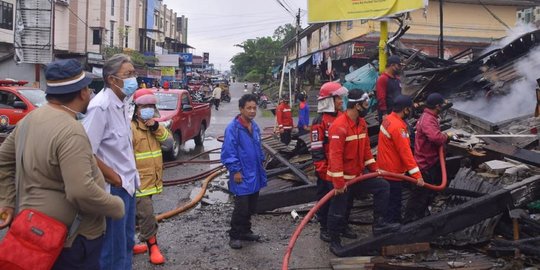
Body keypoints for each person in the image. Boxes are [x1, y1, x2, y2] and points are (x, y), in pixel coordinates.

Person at [0, 59, 125, 269]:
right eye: (87, 87)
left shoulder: (29, 120)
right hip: (70, 239)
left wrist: (8, 201)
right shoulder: (71, 131)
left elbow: (3, 160)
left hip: (30, 227)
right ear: (82, 92)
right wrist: (116, 206)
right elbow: (81, 192)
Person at [82, 54, 140, 270]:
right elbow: (86, 151)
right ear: (112, 80)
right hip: (114, 188)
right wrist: (114, 178)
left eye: (134, 73)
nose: (133, 78)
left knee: (126, 243)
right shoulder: (100, 107)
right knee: (112, 249)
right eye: (128, 74)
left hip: (129, 185)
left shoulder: (123, 102)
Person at [326, 90, 400, 254]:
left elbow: (366, 151)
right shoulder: (339, 126)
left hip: (357, 176)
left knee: (382, 186)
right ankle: (334, 240)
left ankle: (379, 224)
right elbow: (335, 156)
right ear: (357, 105)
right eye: (365, 104)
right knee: (339, 208)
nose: (368, 107)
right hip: (343, 179)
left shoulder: (361, 124)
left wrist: (375, 170)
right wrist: (338, 183)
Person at [130, 89, 173, 265]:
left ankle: (129, 243)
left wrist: (155, 127)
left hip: (152, 181)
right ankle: (153, 247)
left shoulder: (156, 126)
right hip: (138, 183)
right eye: (143, 106)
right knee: (147, 216)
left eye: (150, 106)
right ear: (136, 109)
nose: (147, 109)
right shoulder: (130, 128)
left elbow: (169, 143)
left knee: (133, 216)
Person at [221, 94, 268, 249]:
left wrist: (262, 160)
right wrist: (235, 171)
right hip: (241, 174)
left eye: (254, 108)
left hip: (254, 172)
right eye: (249, 108)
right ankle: (235, 235)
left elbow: (258, 146)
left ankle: (246, 231)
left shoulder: (254, 126)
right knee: (241, 207)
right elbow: (229, 152)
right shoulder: (233, 128)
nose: (252, 111)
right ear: (241, 109)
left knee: (251, 206)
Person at [404, 93, 451, 222]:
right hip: (425, 164)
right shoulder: (428, 120)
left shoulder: (430, 117)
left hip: (430, 161)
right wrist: (446, 137)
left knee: (427, 193)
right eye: (441, 105)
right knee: (419, 194)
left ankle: (421, 216)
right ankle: (410, 220)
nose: (442, 107)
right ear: (437, 106)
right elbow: (436, 138)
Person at [377, 95, 424, 224]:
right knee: (394, 202)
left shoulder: (388, 120)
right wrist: (417, 176)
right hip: (393, 172)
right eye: (409, 109)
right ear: (405, 110)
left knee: (388, 200)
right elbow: (406, 153)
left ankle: (388, 222)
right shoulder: (398, 127)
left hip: (385, 168)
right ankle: (392, 228)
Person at [310, 82, 348, 242]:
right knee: (326, 200)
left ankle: (342, 226)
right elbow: (317, 149)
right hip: (326, 171)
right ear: (329, 100)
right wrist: (323, 170)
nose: (341, 101)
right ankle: (324, 227)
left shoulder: (343, 117)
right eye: (338, 98)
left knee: (344, 199)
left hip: (342, 170)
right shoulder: (319, 121)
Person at [376, 55, 403, 123]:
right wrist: (384, 113)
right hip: (388, 113)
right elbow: (381, 97)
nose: (400, 68)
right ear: (392, 65)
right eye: (398, 65)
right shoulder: (383, 79)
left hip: (397, 112)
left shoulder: (397, 79)